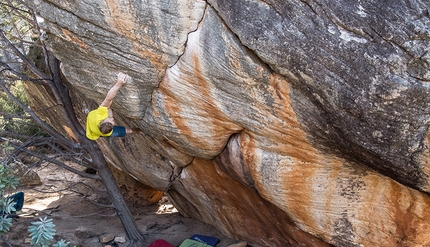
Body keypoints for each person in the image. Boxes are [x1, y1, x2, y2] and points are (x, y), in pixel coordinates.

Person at [86, 72, 139, 140]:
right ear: (112, 128)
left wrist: (119, 84)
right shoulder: (109, 132)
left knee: (107, 105)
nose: (113, 119)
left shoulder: (100, 115)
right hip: (97, 132)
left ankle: (107, 109)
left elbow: (108, 99)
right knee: (129, 131)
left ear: (102, 120)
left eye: (109, 120)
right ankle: (140, 130)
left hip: (92, 124)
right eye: (112, 123)